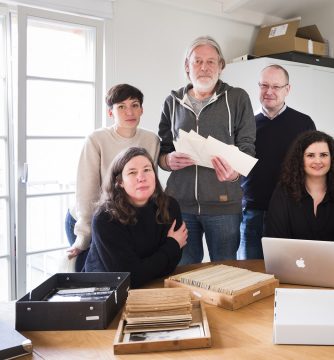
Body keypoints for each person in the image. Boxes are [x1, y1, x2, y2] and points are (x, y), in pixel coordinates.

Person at [158, 36, 256, 265]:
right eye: (198, 61)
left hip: (224, 206)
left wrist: (235, 173)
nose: (204, 67)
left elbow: (247, 147)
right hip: (179, 205)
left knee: (224, 272)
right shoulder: (171, 102)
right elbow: (162, 151)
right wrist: (167, 160)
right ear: (187, 66)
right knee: (184, 273)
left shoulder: (238, 98)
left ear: (221, 66)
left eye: (211, 61)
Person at [66, 84, 160, 271]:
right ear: (111, 113)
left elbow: (148, 185)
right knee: (91, 281)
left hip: (123, 219)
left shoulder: (151, 140)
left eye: (134, 105)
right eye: (121, 107)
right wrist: (84, 236)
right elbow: (87, 191)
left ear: (142, 109)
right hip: (90, 218)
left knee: (123, 277)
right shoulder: (96, 140)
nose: (129, 112)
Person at [238, 64, 316, 260]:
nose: (269, 91)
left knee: (288, 270)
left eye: (276, 86)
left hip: (291, 211)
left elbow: (314, 166)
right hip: (252, 212)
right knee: (250, 273)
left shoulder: (304, 123)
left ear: (287, 89)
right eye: (264, 85)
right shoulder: (246, 124)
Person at [84, 147, 187, 288]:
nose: (141, 178)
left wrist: (145, 269)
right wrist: (172, 245)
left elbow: (171, 265)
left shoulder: (170, 206)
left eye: (147, 170)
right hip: (105, 292)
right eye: (132, 172)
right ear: (119, 181)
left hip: (154, 284)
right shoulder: (105, 218)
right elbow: (129, 278)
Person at [265, 131, 334, 265]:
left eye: (323, 155)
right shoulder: (283, 194)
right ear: (300, 159)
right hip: (292, 270)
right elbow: (275, 245)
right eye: (310, 155)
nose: (318, 161)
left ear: (332, 158)